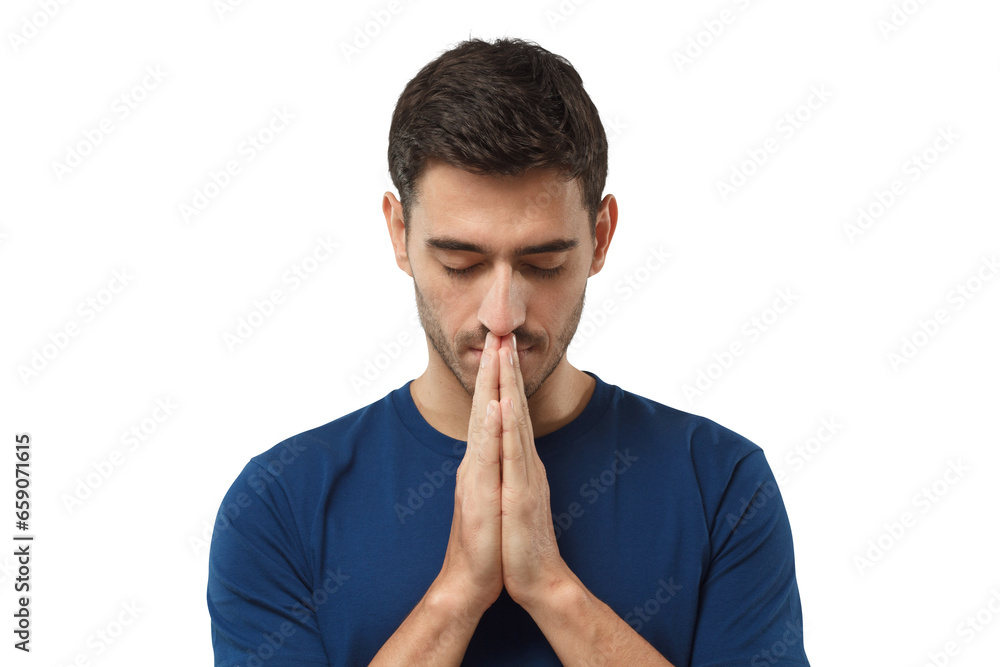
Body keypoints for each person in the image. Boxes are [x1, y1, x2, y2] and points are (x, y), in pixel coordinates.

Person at [207, 37, 810, 666]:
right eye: (460, 263)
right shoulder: (279, 504)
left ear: (600, 237)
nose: (502, 316)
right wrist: (458, 593)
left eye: (543, 263)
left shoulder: (721, 484)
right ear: (400, 233)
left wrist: (550, 588)